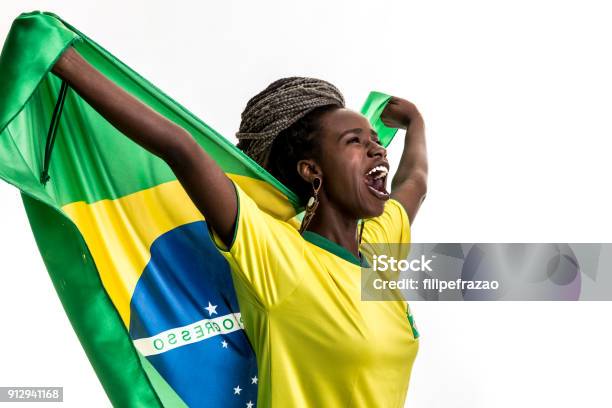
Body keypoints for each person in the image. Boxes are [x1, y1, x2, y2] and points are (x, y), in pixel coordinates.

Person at [52, 47, 428, 407]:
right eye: (355, 142)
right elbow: (182, 149)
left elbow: (415, 182)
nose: (378, 150)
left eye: (376, 142)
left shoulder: (377, 251)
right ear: (311, 170)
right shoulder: (282, 262)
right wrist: (64, 60)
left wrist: (415, 121)